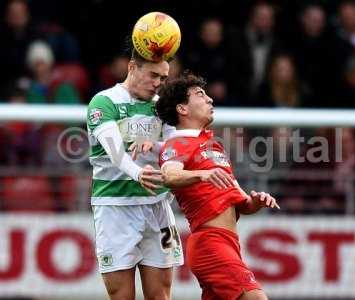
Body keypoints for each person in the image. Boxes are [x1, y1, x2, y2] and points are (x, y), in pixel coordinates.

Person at [155, 72, 279, 300]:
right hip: (210, 243)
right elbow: (169, 175)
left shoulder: (214, 146)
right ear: (182, 109)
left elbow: (242, 203)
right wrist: (202, 174)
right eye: (200, 95)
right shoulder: (178, 142)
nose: (210, 99)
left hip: (230, 242)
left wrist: (256, 202)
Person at [86, 48, 183, 300]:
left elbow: (176, 149)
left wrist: (163, 153)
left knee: (161, 295)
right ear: (131, 67)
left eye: (163, 78)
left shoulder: (163, 107)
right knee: (121, 296)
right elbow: (115, 152)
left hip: (159, 209)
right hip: (115, 209)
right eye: (153, 75)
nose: (157, 83)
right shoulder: (103, 102)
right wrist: (138, 173)